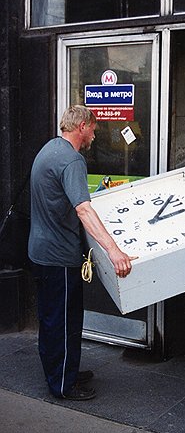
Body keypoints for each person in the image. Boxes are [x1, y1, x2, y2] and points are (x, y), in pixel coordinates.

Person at [29, 105, 135, 401]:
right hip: (59, 255)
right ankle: (63, 384)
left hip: (40, 251)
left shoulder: (50, 148)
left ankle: (63, 370)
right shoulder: (72, 160)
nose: (95, 133)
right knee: (64, 321)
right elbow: (83, 210)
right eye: (93, 128)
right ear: (82, 127)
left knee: (52, 318)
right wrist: (113, 251)